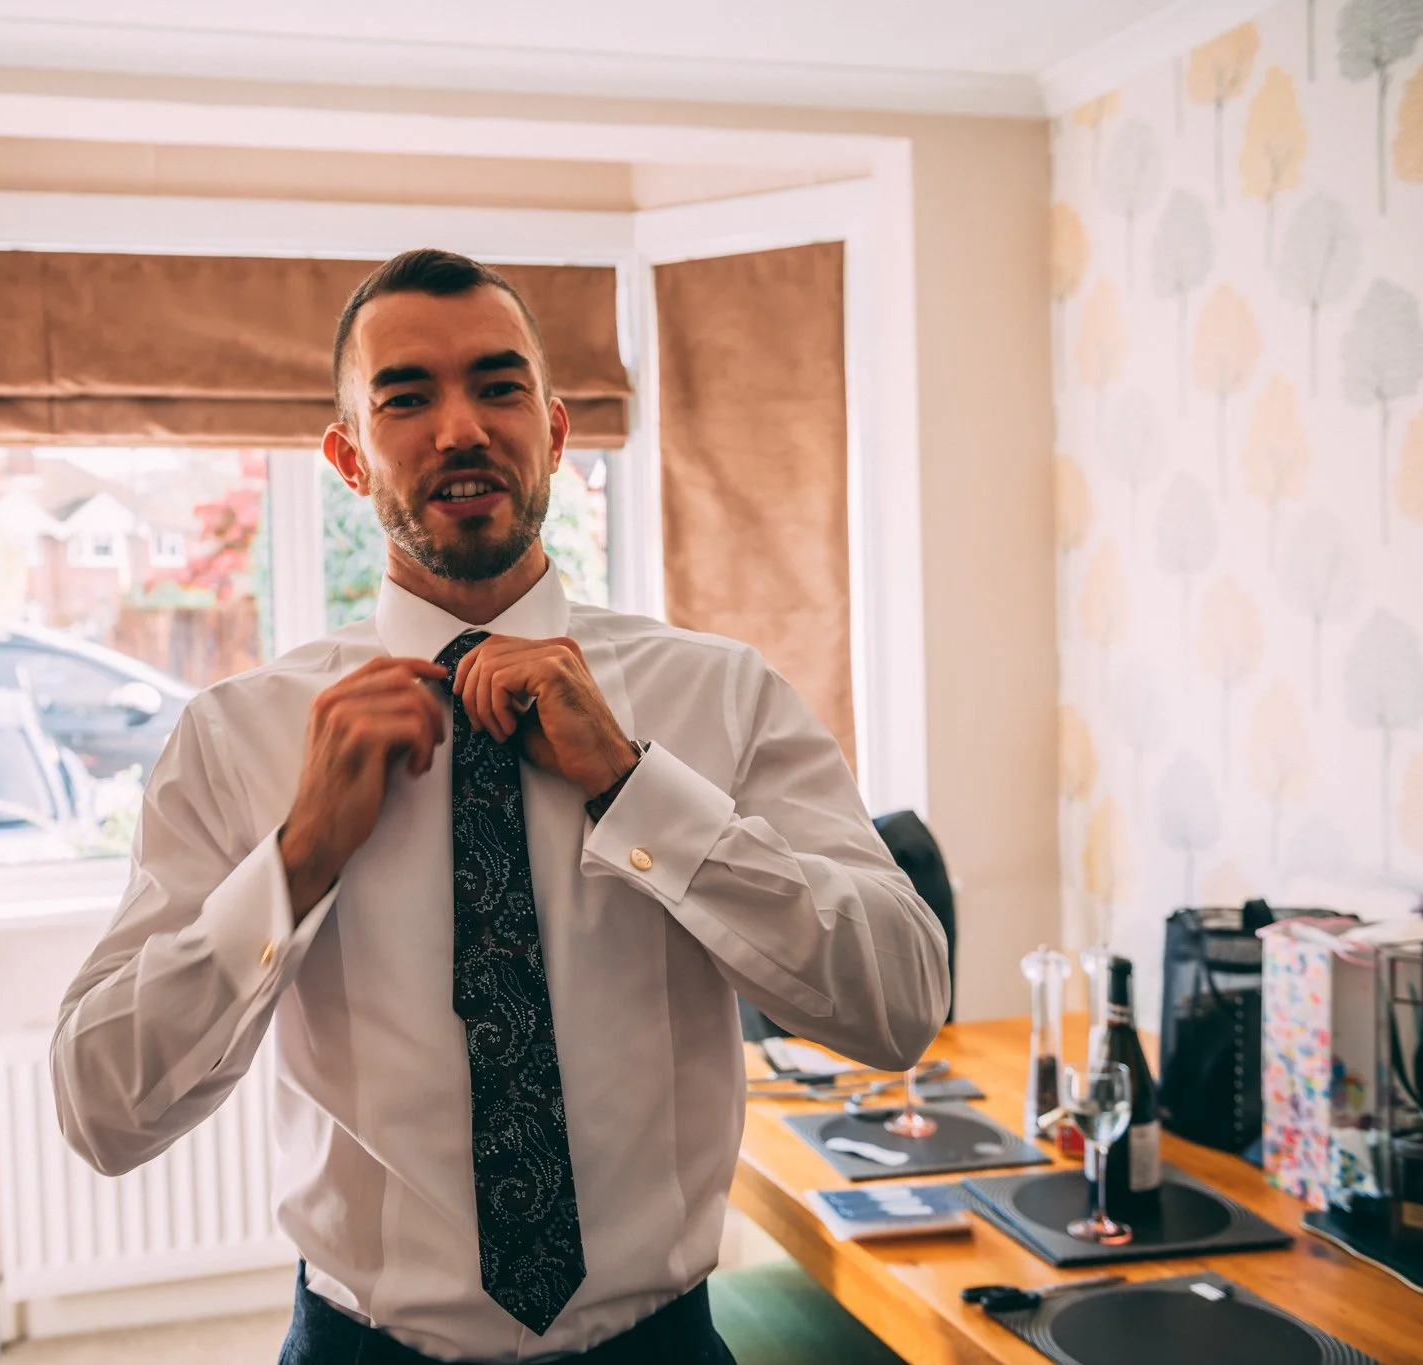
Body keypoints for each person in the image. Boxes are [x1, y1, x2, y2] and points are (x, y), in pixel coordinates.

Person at [52, 249, 951, 1364]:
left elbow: (901, 1002)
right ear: (348, 455)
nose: (460, 428)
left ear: (556, 431)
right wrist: (295, 859)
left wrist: (635, 788)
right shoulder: (239, 738)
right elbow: (99, 1108)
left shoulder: (721, 697)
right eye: (405, 397)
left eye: (497, 385)